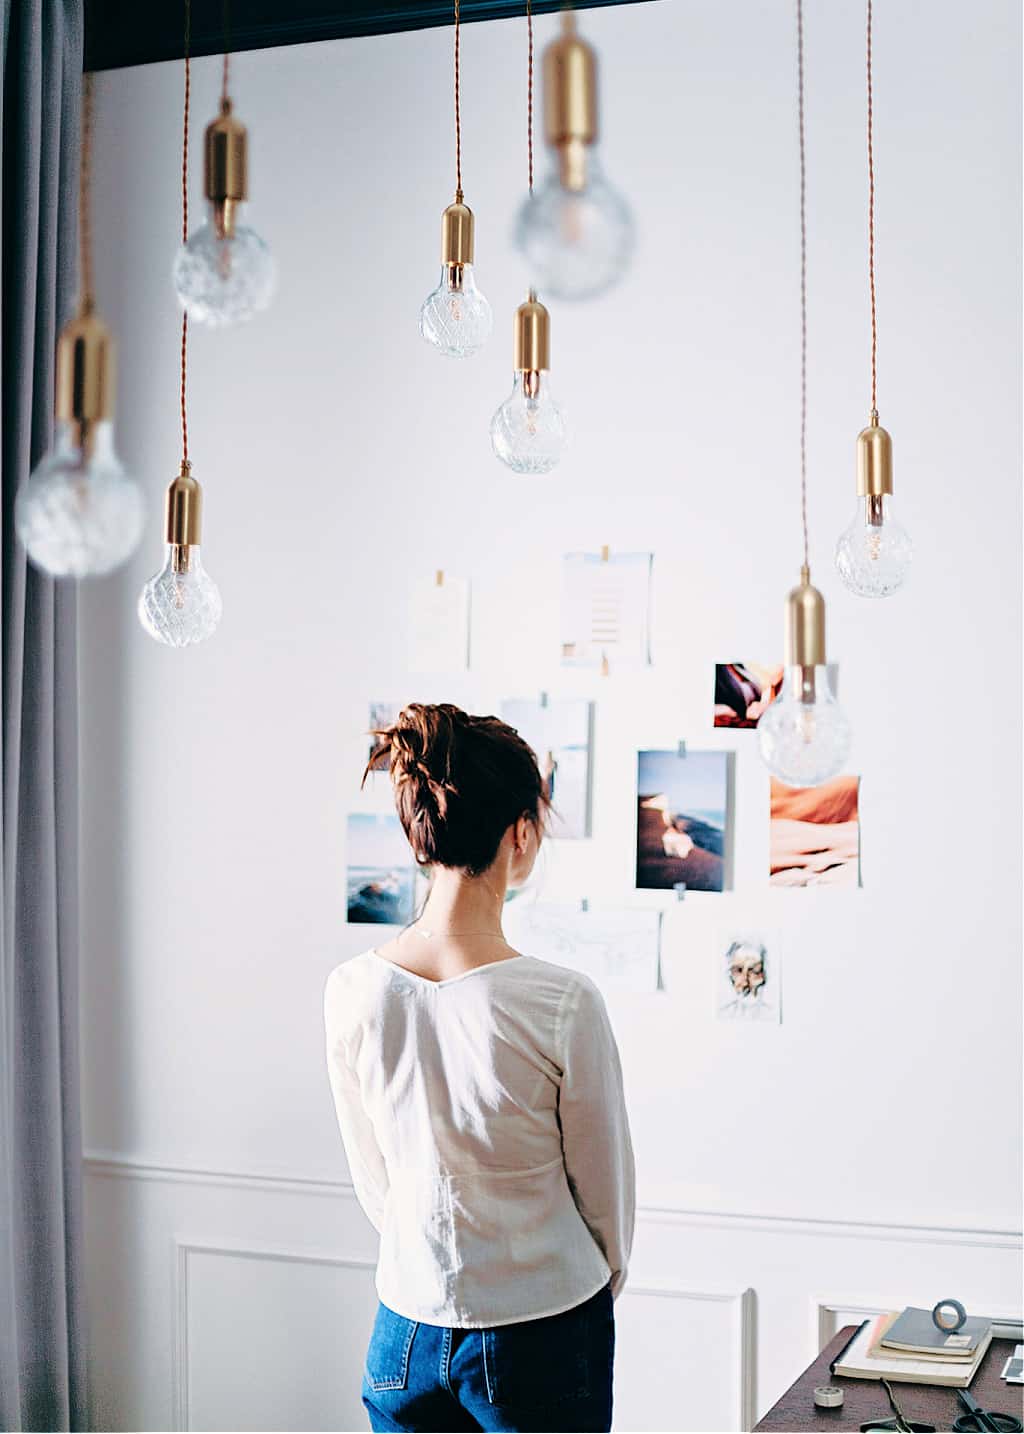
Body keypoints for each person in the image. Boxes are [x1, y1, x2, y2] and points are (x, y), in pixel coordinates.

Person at [324, 703, 635, 1434]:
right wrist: (584, 1291)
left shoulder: (352, 989)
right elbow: (605, 1200)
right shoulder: (562, 1002)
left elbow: (377, 1183)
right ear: (521, 833)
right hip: (543, 1326)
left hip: (402, 1327)